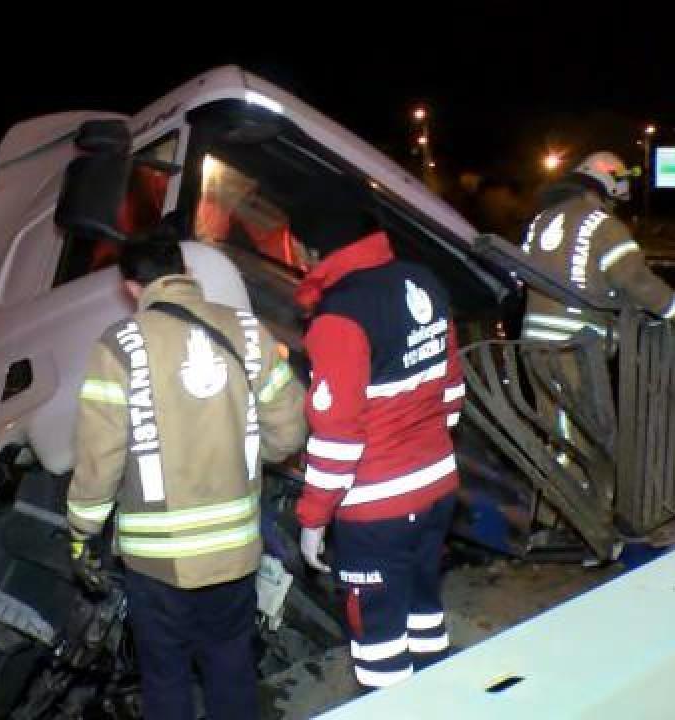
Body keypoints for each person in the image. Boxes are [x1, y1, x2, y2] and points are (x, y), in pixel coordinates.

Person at [66, 230, 305, 720]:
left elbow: (99, 459)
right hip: (234, 550)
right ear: (186, 271)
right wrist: (242, 452)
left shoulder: (118, 347)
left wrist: (82, 533)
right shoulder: (247, 330)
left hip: (158, 559)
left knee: (165, 674)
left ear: (131, 287)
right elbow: (289, 429)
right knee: (231, 663)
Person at [292, 180, 465, 690]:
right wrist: (423, 449)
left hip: (377, 509)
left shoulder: (338, 315)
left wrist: (312, 517)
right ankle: (444, 697)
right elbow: (451, 390)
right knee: (424, 612)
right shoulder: (424, 280)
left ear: (315, 248)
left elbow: (337, 437)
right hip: (437, 489)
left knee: (379, 644)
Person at [521, 150, 675, 463]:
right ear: (607, 184)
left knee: (558, 433)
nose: (615, 206)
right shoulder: (601, 224)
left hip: (535, 344)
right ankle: (578, 508)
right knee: (578, 442)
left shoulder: (543, 220)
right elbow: (636, 281)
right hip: (575, 348)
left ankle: (556, 508)